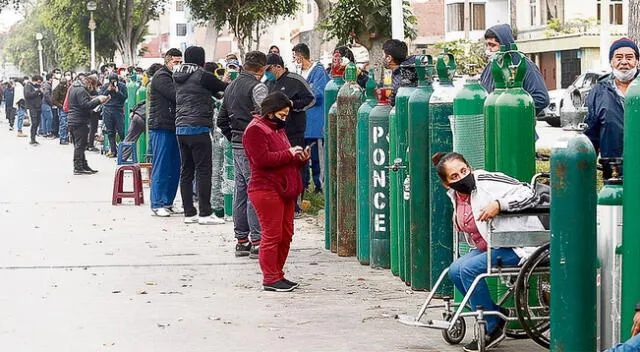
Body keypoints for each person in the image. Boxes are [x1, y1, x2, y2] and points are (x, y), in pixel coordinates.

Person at [432, 152, 543, 351]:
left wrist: (499, 204)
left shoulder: (485, 181)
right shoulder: (456, 195)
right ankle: (495, 315)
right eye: (454, 177)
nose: (461, 177)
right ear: (447, 184)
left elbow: (529, 192)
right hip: (492, 245)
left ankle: (491, 328)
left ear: (470, 168)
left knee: (469, 270)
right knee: (455, 269)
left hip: (519, 244)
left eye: (463, 171)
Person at [243, 91, 310, 292]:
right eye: (282, 115)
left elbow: (283, 156)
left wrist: (299, 157)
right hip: (265, 189)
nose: (285, 118)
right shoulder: (255, 130)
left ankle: (278, 274)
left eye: (286, 115)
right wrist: (288, 154)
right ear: (270, 112)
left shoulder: (276, 129)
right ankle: (270, 278)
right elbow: (261, 160)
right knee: (272, 235)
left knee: (286, 234)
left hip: (284, 188)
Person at [217, 50, 268, 258]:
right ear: (262, 68)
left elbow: (221, 120)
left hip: (237, 145)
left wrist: (235, 137)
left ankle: (241, 240)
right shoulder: (258, 87)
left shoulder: (230, 87)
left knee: (241, 191)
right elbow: (267, 116)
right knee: (255, 191)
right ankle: (257, 241)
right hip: (253, 146)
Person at [173, 45, 228, 224]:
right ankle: (205, 212)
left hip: (181, 127)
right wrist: (227, 80)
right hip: (199, 127)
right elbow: (223, 87)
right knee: (204, 170)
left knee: (186, 170)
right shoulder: (203, 75)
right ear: (201, 59)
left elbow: (206, 91)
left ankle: (189, 213)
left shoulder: (178, 75)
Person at [585, 38, 638, 179]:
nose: (624, 62)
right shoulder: (599, 92)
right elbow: (590, 133)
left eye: (630, 57)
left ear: (637, 62)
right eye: (618, 57)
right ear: (611, 62)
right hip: (613, 171)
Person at [480, 24, 549, 116]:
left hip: (516, 126)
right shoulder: (490, 67)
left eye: (493, 45)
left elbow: (541, 98)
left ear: (505, 44)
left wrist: (513, 114)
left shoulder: (524, 66)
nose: (488, 49)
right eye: (487, 45)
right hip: (492, 125)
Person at [148, 48, 183, 217]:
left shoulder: (173, 77)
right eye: (175, 62)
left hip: (174, 126)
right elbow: (175, 95)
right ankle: (157, 203)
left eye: (180, 62)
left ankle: (168, 201)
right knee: (161, 166)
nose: (178, 65)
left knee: (175, 166)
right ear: (167, 62)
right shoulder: (161, 77)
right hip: (161, 126)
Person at [293, 43, 330, 194]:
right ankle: (305, 186)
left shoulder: (318, 71)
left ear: (301, 57)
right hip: (302, 125)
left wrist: (300, 97)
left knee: (317, 158)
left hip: (315, 124)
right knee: (302, 157)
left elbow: (317, 95)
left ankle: (321, 187)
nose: (294, 60)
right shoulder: (297, 73)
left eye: (295, 57)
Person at [67, 74, 110, 175]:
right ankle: (78, 167)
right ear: (90, 83)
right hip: (79, 120)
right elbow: (85, 105)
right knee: (80, 145)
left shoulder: (74, 87)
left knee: (80, 144)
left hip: (74, 119)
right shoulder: (81, 90)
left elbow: (82, 101)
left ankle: (83, 165)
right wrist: (98, 100)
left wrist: (94, 98)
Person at [121, 63, 163, 161]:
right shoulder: (154, 85)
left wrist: (134, 110)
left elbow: (143, 101)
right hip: (146, 117)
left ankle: (121, 159)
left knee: (130, 139)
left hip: (138, 115)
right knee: (151, 141)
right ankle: (149, 164)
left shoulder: (148, 85)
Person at [99, 73, 128, 158]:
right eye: (112, 81)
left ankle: (124, 151)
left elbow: (125, 97)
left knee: (121, 130)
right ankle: (113, 150)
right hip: (107, 109)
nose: (113, 82)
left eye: (115, 81)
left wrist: (117, 92)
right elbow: (102, 96)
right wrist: (108, 90)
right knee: (110, 131)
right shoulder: (105, 86)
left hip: (118, 110)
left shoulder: (122, 86)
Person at [383, 39, 417, 106]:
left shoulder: (400, 79)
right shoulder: (410, 71)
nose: (382, 58)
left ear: (389, 58)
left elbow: (390, 103)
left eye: (383, 55)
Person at [24, 75, 44, 145]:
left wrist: (41, 92)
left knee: (37, 123)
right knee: (34, 123)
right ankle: (32, 139)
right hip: (32, 107)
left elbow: (41, 96)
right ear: (35, 80)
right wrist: (38, 91)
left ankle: (34, 138)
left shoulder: (38, 86)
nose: (39, 83)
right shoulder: (28, 86)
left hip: (38, 106)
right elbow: (27, 95)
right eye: (38, 82)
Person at [52, 77, 70, 144]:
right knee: (63, 123)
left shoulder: (67, 88)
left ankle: (66, 137)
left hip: (67, 107)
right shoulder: (57, 90)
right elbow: (54, 100)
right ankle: (62, 138)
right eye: (63, 84)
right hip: (62, 108)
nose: (65, 85)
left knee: (67, 124)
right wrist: (61, 105)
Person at [40, 73, 54, 138]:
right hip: (46, 104)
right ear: (50, 78)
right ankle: (48, 132)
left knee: (44, 119)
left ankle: (44, 132)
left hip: (43, 103)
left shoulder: (44, 84)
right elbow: (46, 95)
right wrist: (51, 103)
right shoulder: (47, 85)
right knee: (49, 118)